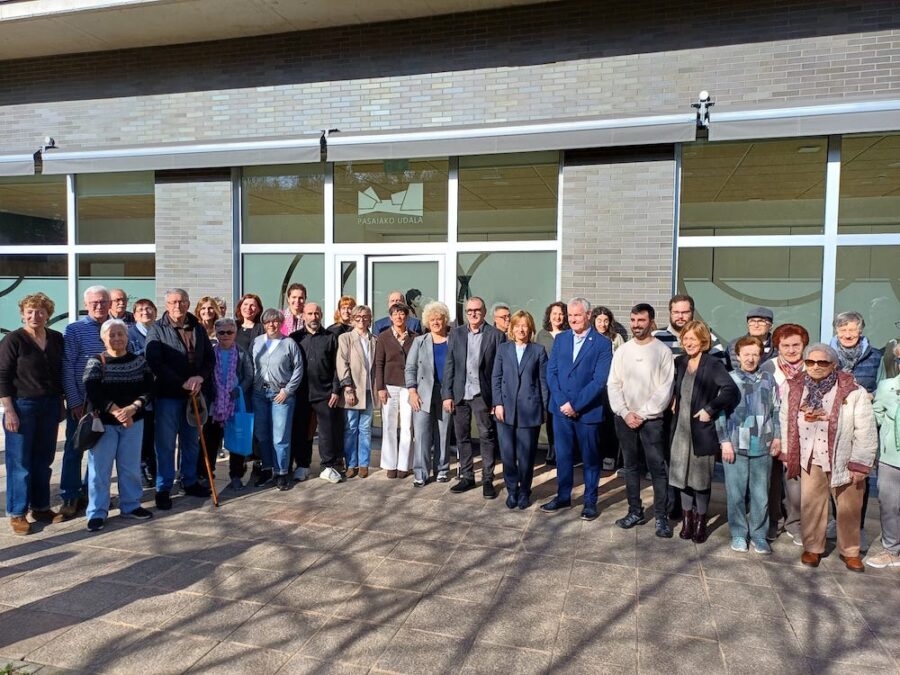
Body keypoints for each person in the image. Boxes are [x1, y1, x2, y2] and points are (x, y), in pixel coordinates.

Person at [779, 343, 877, 571]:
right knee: (812, 506)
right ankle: (812, 548)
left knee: (849, 508)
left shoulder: (853, 391)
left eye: (822, 362)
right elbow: (785, 421)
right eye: (810, 362)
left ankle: (850, 551)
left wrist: (860, 464)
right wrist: (787, 452)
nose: (815, 366)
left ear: (833, 365)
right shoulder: (795, 387)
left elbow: (866, 429)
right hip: (811, 458)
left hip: (844, 459)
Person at [541, 297, 613, 520]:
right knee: (563, 456)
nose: (572, 319)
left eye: (577, 315)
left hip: (588, 412)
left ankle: (590, 501)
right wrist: (563, 402)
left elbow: (599, 381)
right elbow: (551, 372)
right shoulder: (561, 339)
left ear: (588, 315)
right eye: (570, 315)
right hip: (560, 411)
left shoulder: (602, 343)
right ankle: (563, 496)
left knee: (590, 459)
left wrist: (576, 405)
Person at [607, 303, 675, 536]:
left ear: (651, 322)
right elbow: (613, 384)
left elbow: (665, 389)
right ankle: (635, 511)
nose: (636, 325)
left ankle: (661, 517)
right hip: (625, 419)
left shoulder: (662, 351)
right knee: (630, 467)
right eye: (633, 320)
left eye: (641, 320)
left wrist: (643, 414)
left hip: (652, 421)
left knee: (657, 469)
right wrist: (625, 412)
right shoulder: (623, 351)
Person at [669, 320, 740, 543]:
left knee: (700, 480)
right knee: (682, 477)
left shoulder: (713, 364)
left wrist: (710, 409)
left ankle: (700, 522)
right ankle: (687, 520)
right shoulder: (680, 362)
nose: (689, 343)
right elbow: (674, 387)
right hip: (680, 431)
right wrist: (673, 398)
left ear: (703, 341)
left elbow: (730, 390)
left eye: (693, 339)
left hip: (701, 431)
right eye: (685, 338)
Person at [0, 293, 66, 534]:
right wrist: (9, 410)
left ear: (48, 314)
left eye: (40, 311)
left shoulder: (56, 338)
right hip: (22, 406)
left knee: (44, 460)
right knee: (20, 462)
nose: (34, 316)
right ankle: (17, 512)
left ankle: (40, 507)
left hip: (50, 404)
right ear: (22, 314)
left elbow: (61, 372)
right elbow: (2, 376)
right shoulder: (13, 339)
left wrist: (62, 402)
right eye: (30, 311)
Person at [145, 288, 214, 510]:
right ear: (166, 305)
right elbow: (155, 362)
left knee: (191, 441)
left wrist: (199, 377)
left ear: (188, 303)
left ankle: (189, 481)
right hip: (168, 395)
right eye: (173, 302)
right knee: (165, 444)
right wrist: (181, 382)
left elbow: (209, 359)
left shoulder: (198, 327)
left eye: (182, 301)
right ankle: (163, 488)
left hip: (194, 394)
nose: (178, 305)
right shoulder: (157, 329)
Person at [82, 319, 154, 531]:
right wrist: (117, 412)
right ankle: (97, 512)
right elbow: (93, 391)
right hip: (104, 425)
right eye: (111, 335)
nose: (116, 338)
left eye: (120, 334)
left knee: (130, 468)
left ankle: (131, 505)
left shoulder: (139, 362)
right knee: (99, 471)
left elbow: (149, 388)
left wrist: (133, 408)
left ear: (127, 337)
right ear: (103, 339)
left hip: (134, 422)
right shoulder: (96, 362)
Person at [717, 336, 782, 554]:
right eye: (746, 354)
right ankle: (738, 534)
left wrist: (777, 437)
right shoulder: (729, 380)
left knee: (760, 495)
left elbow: (776, 409)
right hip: (735, 445)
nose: (751, 358)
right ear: (738, 356)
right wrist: (724, 441)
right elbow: (720, 413)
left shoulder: (768, 379)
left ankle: (759, 535)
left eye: (755, 354)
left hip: (763, 444)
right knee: (735, 495)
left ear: (761, 356)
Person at [443, 296, 505, 497]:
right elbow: (450, 365)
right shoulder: (457, 333)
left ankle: (487, 479)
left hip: (482, 394)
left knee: (487, 436)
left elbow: (499, 371)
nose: (473, 314)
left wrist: (497, 400)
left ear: (484, 312)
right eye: (469, 311)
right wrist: (447, 394)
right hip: (460, 394)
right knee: (462, 437)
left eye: (477, 310)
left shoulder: (496, 335)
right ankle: (467, 477)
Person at [59, 285, 110, 518]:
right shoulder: (75, 330)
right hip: (82, 402)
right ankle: (70, 496)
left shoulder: (117, 327)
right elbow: (67, 366)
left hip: (107, 402)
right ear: (86, 304)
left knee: (99, 451)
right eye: (94, 302)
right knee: (74, 449)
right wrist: (74, 401)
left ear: (109, 303)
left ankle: (91, 493)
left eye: (103, 301)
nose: (99, 306)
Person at [492, 310, 549, 509]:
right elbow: (496, 377)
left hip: (529, 409)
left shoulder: (538, 351)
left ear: (530, 328)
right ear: (512, 328)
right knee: (507, 455)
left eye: (524, 325)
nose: (521, 329)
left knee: (526, 456)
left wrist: (544, 407)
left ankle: (524, 490)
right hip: (505, 410)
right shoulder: (503, 349)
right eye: (517, 325)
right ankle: (512, 491)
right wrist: (498, 403)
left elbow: (543, 381)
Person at [760, 323, 810, 544]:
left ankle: (795, 522)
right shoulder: (768, 367)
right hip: (772, 429)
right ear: (777, 346)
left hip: (801, 432)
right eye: (785, 345)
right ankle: (774, 520)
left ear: (804, 345)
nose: (791, 350)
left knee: (795, 481)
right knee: (771, 480)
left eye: (796, 345)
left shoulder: (811, 366)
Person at [290, 302, 342, 483]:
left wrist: (336, 390)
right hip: (301, 393)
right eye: (310, 313)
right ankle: (302, 466)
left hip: (325, 392)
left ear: (321, 315)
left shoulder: (330, 337)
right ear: (303, 315)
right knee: (302, 431)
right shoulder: (294, 338)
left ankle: (328, 466)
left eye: (317, 313)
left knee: (327, 432)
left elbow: (337, 366)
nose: (314, 317)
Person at [252, 309, 304, 491]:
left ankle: (281, 472)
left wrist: (287, 390)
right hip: (259, 394)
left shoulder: (289, 343)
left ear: (281, 323)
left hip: (281, 395)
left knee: (280, 436)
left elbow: (298, 368)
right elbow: (250, 365)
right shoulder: (257, 342)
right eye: (268, 322)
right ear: (263, 324)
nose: (271, 325)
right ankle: (267, 469)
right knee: (262, 434)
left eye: (275, 321)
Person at [406, 301, 453, 487]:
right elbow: (410, 368)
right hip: (422, 394)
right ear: (427, 321)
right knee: (422, 434)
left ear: (445, 320)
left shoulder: (452, 341)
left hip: (445, 393)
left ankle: (442, 470)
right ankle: (421, 473)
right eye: (432, 319)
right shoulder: (419, 341)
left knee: (443, 433)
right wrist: (412, 391)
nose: (435, 322)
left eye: (439, 319)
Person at [205, 317, 253, 490]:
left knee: (236, 439)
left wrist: (239, 390)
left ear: (235, 333)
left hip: (235, 403)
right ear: (216, 333)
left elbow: (249, 375)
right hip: (215, 404)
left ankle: (236, 475)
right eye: (221, 332)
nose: (225, 335)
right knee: (211, 440)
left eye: (229, 332)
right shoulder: (210, 352)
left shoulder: (241, 353)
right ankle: (207, 474)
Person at [375, 302, 418, 480]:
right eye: (395, 314)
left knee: (407, 426)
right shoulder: (383, 337)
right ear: (390, 317)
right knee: (389, 425)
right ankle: (390, 464)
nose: (399, 317)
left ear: (407, 317)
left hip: (408, 386)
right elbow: (379, 364)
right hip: (389, 386)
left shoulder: (415, 337)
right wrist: (380, 387)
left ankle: (404, 465)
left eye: (402, 314)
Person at [868, 344, 900, 568]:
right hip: (891, 458)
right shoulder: (887, 386)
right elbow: (875, 417)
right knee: (890, 505)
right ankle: (892, 549)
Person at [337, 304, 377, 478]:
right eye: (358, 317)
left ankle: (364, 464)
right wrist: (347, 387)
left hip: (369, 390)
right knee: (351, 428)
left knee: (365, 428)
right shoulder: (345, 338)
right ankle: (351, 464)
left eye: (365, 317)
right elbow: (342, 363)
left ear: (370, 319)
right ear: (353, 319)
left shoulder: (374, 340)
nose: (362, 320)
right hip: (352, 389)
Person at [127, 298, 159, 487]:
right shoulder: (129, 333)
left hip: (160, 391)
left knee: (155, 435)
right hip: (139, 393)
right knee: (141, 435)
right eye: (140, 309)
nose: (145, 312)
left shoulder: (160, 331)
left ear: (155, 311)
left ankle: (154, 470)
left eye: (149, 308)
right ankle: (141, 471)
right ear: (135, 314)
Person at [536, 301, 568, 466]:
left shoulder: (569, 334)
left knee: (563, 416)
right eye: (554, 313)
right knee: (550, 417)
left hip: (565, 383)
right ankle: (552, 448)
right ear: (549, 316)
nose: (557, 317)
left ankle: (565, 450)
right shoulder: (542, 335)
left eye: (561, 314)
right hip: (547, 382)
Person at [592, 305, 623, 471]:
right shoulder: (589, 337)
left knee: (609, 422)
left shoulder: (616, 338)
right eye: (599, 320)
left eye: (605, 320)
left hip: (610, 385)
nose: (602, 324)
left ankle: (609, 456)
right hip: (593, 384)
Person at [830, 311, 882, 396]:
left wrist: (872, 395)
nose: (847, 335)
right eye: (843, 330)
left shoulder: (875, 356)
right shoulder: (826, 356)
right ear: (837, 332)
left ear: (860, 332)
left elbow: (884, 386)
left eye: (852, 330)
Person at [726, 306, 776, 371]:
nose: (756, 325)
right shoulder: (734, 345)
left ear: (771, 326)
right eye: (752, 321)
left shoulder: (778, 346)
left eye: (761, 321)